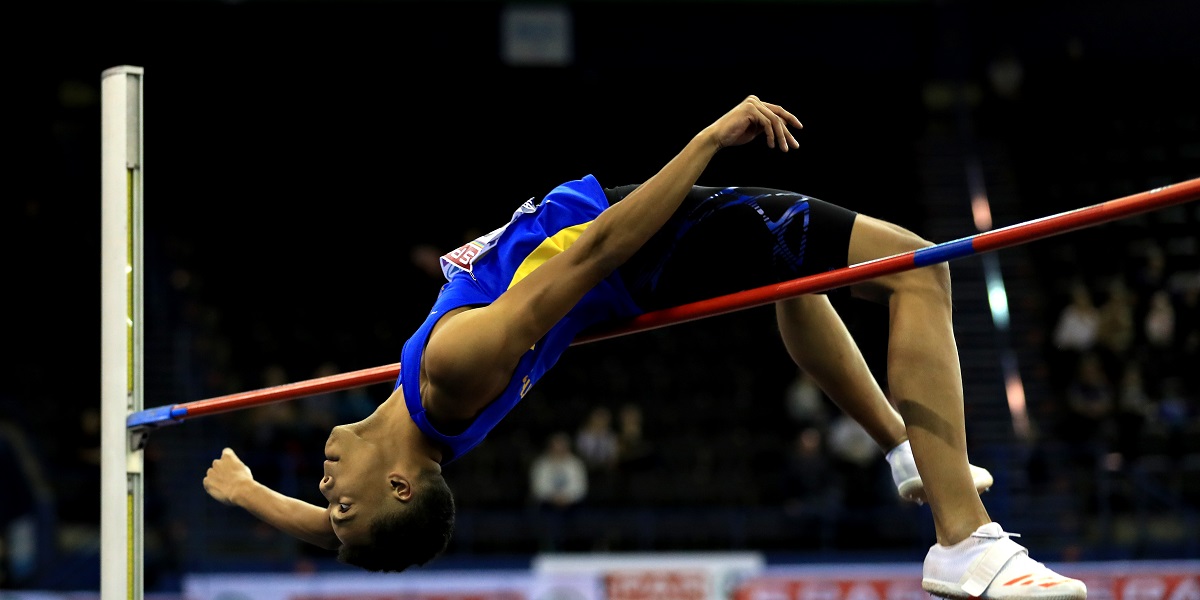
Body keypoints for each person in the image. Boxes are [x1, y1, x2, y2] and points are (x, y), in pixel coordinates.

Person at [201, 95, 1085, 599]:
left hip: (619, 268)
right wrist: (704, 140)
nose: (325, 492)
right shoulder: (449, 373)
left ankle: (901, 446)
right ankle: (962, 540)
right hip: (636, 246)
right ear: (398, 484)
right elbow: (593, 253)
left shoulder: (419, 439)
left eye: (331, 504)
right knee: (915, 270)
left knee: (790, 287)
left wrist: (247, 495)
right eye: (342, 501)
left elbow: (345, 537)